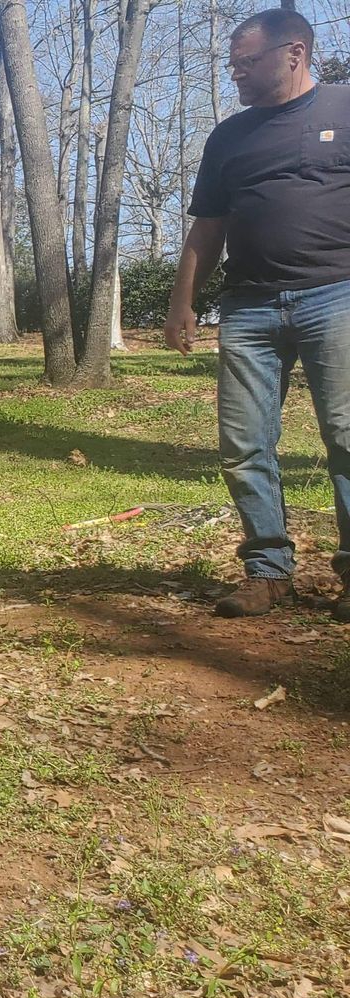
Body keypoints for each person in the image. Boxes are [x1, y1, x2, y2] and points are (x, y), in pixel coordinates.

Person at [166, 8, 350, 622]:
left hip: (338, 295)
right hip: (248, 306)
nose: (236, 75)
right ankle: (268, 572)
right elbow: (207, 226)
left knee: (346, 435)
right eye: (232, 65)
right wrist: (181, 303)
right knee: (244, 444)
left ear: (293, 54)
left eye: (248, 63)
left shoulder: (343, 112)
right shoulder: (230, 137)